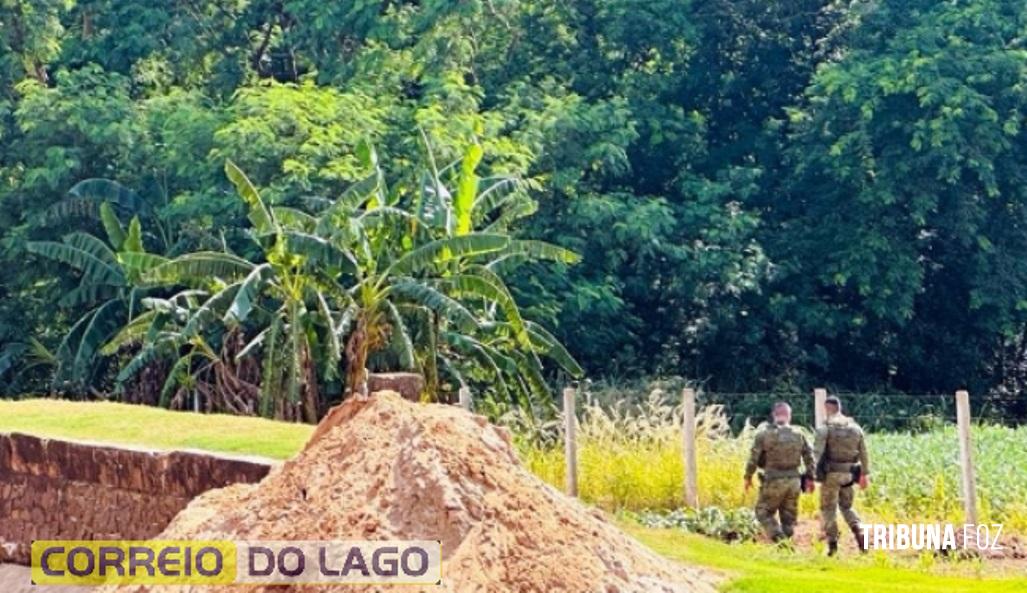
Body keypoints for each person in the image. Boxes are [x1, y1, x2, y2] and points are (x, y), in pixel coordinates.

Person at [743, 401, 816, 542]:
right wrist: (810, 478)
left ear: (774, 415)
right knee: (788, 518)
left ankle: (780, 541)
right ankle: (786, 545)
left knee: (763, 512)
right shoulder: (799, 434)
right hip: (794, 482)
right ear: (789, 416)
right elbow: (810, 458)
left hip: (773, 480)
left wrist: (747, 477)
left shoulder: (763, 435)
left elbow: (754, 458)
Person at [813, 395, 870, 556]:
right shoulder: (855, 428)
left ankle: (833, 546)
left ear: (827, 408)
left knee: (828, 508)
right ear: (840, 407)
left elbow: (817, 453)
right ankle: (860, 533)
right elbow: (864, 453)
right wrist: (865, 474)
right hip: (849, 475)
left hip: (831, 475)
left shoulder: (825, 428)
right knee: (847, 507)